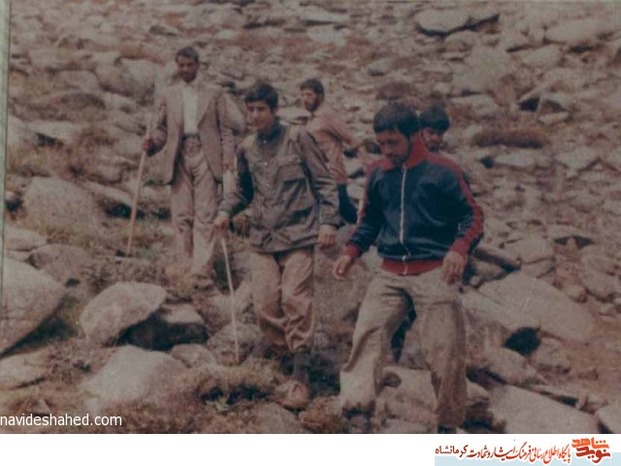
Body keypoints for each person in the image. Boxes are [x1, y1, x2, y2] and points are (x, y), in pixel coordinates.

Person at [332, 102, 484, 433]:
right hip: (389, 272)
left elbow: (473, 216)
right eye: (381, 144)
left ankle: (447, 426)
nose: (386, 150)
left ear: (414, 136)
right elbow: (370, 221)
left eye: (393, 143)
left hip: (434, 271)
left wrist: (459, 249)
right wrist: (351, 251)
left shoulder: (444, 171)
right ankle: (356, 413)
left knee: (446, 353)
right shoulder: (377, 172)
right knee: (367, 335)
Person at [215, 82, 339, 410]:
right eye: (250, 110)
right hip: (263, 238)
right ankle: (279, 353)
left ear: (274, 110)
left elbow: (325, 182)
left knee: (296, 300)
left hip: (298, 235)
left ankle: (301, 373)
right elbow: (242, 190)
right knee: (265, 305)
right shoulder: (246, 148)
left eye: (261, 110)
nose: (255, 116)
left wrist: (329, 222)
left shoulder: (298, 138)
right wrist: (226, 211)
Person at [143, 46, 235, 292]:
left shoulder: (214, 92)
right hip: (179, 155)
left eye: (189, 65)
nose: (185, 69)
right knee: (181, 215)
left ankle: (201, 272)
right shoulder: (168, 94)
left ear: (198, 65)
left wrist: (228, 158)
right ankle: (185, 267)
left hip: (207, 154)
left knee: (205, 214)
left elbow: (225, 130)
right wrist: (152, 145)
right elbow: (162, 131)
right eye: (181, 65)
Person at [299, 78, 368, 224]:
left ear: (320, 96)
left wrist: (367, 163)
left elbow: (350, 137)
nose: (304, 99)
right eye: (302, 95)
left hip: (332, 176)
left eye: (309, 95)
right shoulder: (312, 118)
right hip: (318, 176)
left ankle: (372, 230)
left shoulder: (327, 115)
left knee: (344, 210)